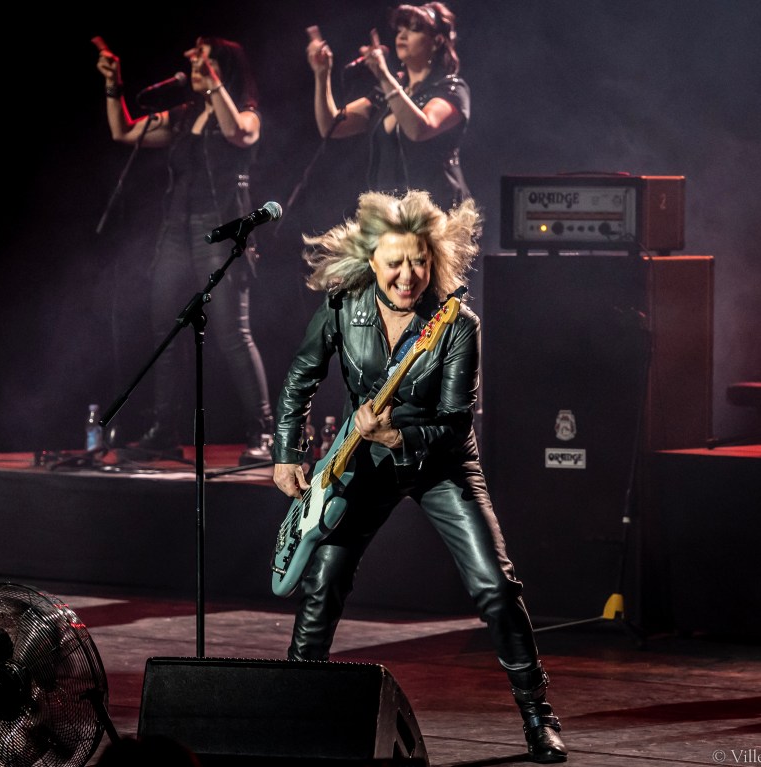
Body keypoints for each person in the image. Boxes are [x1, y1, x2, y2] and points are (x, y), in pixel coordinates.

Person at [270, 189, 568, 763]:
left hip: (440, 463)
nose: (409, 275)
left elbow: (457, 425)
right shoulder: (343, 304)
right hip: (362, 458)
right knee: (323, 580)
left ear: (434, 259)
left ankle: (537, 717)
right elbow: (300, 378)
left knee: (496, 587)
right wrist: (288, 451)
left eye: (419, 262)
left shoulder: (456, 322)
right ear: (370, 263)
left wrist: (400, 437)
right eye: (395, 263)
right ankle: (294, 707)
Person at [97, 36, 274, 462]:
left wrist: (215, 86)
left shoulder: (246, 115)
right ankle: (163, 429)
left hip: (221, 231)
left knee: (233, 333)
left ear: (224, 71)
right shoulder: (182, 117)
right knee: (168, 329)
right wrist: (114, 86)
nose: (198, 67)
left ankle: (264, 432)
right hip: (175, 230)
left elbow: (238, 134)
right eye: (198, 61)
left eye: (209, 62)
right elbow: (123, 131)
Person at [307, 2, 470, 210]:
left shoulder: (451, 89)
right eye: (400, 29)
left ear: (437, 41)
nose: (402, 35)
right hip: (390, 215)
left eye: (414, 29)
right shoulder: (388, 93)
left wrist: (385, 77)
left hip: (437, 216)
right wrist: (322, 75)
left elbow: (419, 129)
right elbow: (331, 126)